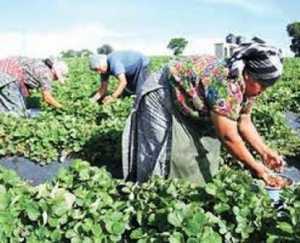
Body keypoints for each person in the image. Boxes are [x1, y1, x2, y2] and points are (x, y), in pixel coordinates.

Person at [122, 39, 286, 187]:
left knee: (190, 151)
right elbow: (229, 137)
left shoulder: (248, 88)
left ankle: (187, 188)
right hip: (162, 92)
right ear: (249, 75)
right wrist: (257, 168)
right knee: (160, 150)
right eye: (262, 85)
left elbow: (244, 121)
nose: (263, 91)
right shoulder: (225, 83)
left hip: (189, 97)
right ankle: (148, 192)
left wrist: (265, 151)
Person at [0, 56, 68, 117]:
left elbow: (25, 78)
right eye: (57, 77)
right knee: (17, 113)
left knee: (5, 106)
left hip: (4, 71)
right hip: (9, 76)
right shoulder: (47, 74)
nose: (55, 79)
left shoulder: (40, 65)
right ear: (55, 72)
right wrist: (62, 108)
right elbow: (47, 97)